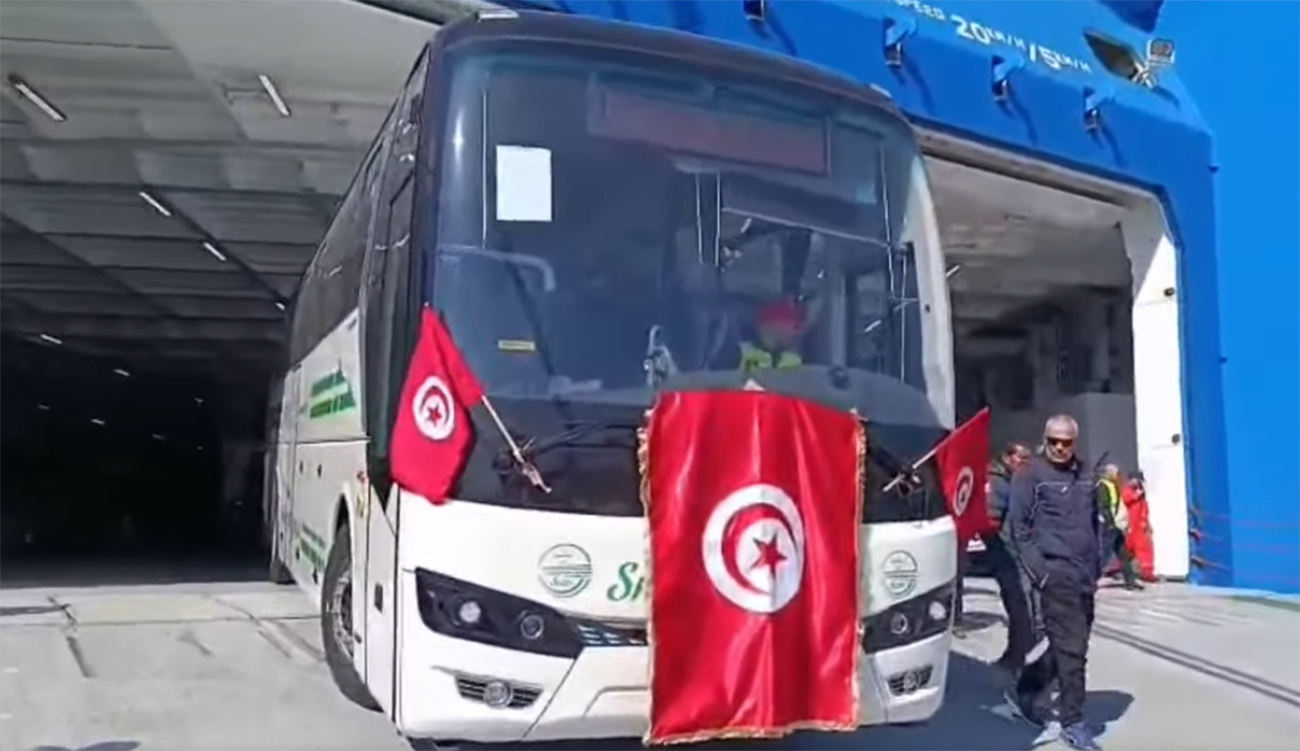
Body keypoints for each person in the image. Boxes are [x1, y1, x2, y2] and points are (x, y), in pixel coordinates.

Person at [1005, 414, 1104, 751]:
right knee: (1074, 651)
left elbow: (1096, 521)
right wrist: (1041, 573)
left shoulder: (1087, 474)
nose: (1060, 448)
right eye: (1054, 441)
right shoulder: (1029, 475)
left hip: (1085, 576)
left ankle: (1028, 688)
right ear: (1045, 440)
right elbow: (1019, 529)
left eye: (1067, 442)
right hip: (1055, 573)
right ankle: (1073, 721)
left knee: (1070, 645)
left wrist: (1098, 564)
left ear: (1075, 443)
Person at [982, 441, 1038, 673]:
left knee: (1028, 606)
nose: (1025, 463)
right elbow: (990, 520)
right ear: (1007, 457)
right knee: (1020, 606)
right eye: (1021, 458)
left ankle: (1017, 655)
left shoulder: (1016, 480)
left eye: (1028, 459)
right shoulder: (996, 482)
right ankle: (1016, 658)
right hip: (1008, 555)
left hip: (1022, 553)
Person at [1098, 464, 1142, 590]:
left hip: (1116, 524)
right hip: (1109, 525)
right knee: (1104, 554)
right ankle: (1091, 578)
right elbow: (1104, 506)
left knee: (1123, 553)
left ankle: (1130, 581)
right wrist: (1109, 523)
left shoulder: (1113, 486)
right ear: (1109, 473)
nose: (1118, 475)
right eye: (1116, 472)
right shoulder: (1103, 486)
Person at [738, 297, 805, 372]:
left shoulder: (793, 361)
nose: (796, 331)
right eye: (794, 325)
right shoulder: (740, 353)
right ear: (773, 323)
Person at [1122, 472, 1156, 582]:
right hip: (1132, 525)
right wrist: (1136, 495)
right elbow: (1126, 500)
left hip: (1140, 525)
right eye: (1137, 480)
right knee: (1127, 549)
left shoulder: (1140, 493)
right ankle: (1115, 569)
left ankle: (1147, 573)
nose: (1139, 483)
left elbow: (1144, 510)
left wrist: (1147, 523)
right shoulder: (1128, 490)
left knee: (1144, 549)